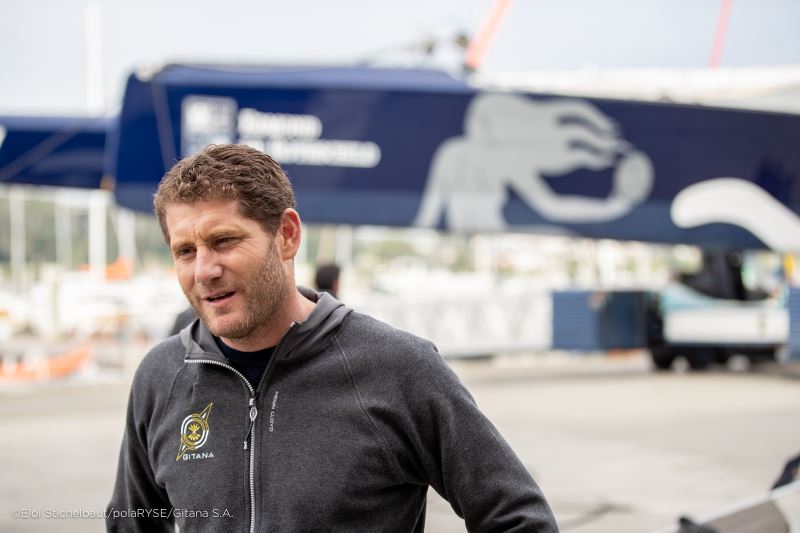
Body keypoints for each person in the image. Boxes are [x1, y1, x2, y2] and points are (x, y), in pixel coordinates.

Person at [107, 144, 558, 532]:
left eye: (224, 240)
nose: (204, 270)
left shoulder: (398, 367)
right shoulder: (161, 377)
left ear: (286, 236)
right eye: (185, 251)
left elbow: (519, 518)